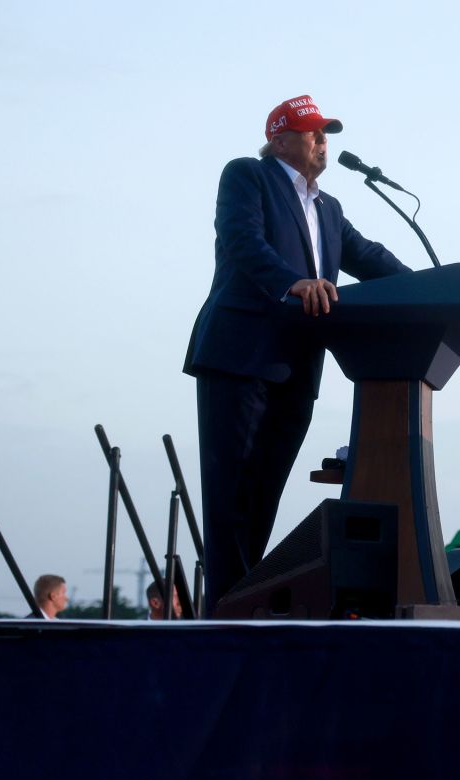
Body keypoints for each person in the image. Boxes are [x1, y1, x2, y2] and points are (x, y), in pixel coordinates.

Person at [183, 95, 410, 612]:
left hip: (299, 364)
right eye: (312, 132)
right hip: (240, 356)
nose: (322, 141)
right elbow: (243, 243)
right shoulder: (247, 176)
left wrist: (434, 284)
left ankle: (239, 604)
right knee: (231, 492)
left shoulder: (328, 208)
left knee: (264, 492)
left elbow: (367, 255)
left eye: (326, 132)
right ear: (280, 139)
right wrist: (294, 283)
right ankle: (221, 616)